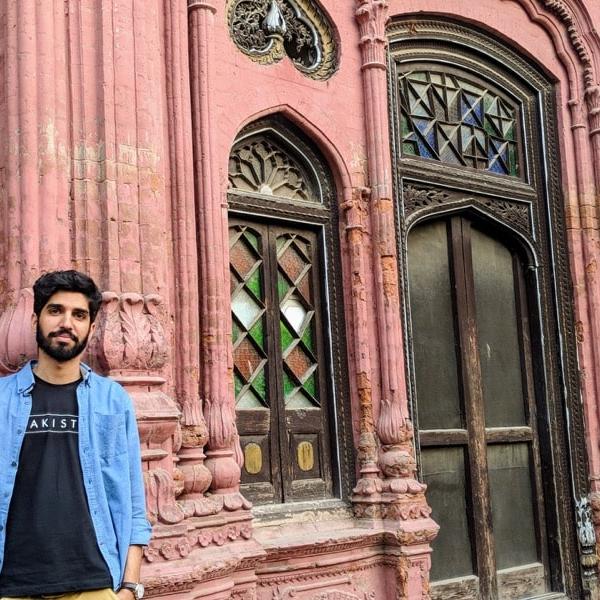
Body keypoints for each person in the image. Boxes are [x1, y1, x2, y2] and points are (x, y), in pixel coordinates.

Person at [0, 270, 151, 600]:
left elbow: (133, 501)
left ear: (91, 328)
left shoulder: (113, 400)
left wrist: (130, 586)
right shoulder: (2, 400)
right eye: (55, 310)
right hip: (12, 584)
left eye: (79, 314)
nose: (66, 322)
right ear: (35, 319)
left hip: (93, 584)